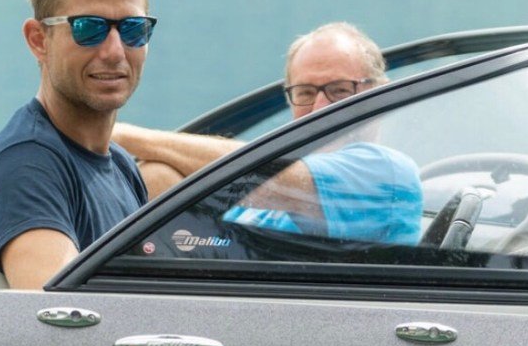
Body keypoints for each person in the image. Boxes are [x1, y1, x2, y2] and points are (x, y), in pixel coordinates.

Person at [112, 22, 423, 244]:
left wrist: (123, 136)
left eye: (340, 90)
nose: (320, 108)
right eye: (305, 93)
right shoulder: (274, 194)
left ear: (379, 96)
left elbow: (264, 174)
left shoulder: (389, 175)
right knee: (157, 176)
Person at [0, 0, 154, 290]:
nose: (115, 51)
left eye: (132, 29)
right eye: (88, 28)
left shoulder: (122, 166)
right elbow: (57, 315)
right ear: (39, 40)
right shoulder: (25, 166)